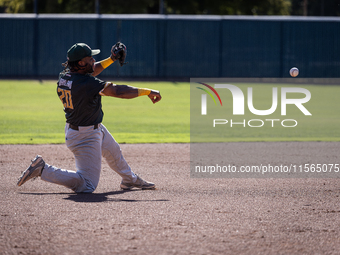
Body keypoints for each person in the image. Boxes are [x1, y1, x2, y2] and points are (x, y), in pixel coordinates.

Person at [17, 42, 162, 193]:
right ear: (80, 63)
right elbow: (118, 91)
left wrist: (112, 59)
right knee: (87, 185)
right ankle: (43, 170)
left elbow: (92, 70)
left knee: (114, 153)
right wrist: (148, 91)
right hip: (84, 136)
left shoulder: (65, 76)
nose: (93, 60)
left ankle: (129, 180)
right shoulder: (86, 84)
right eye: (90, 58)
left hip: (88, 127)